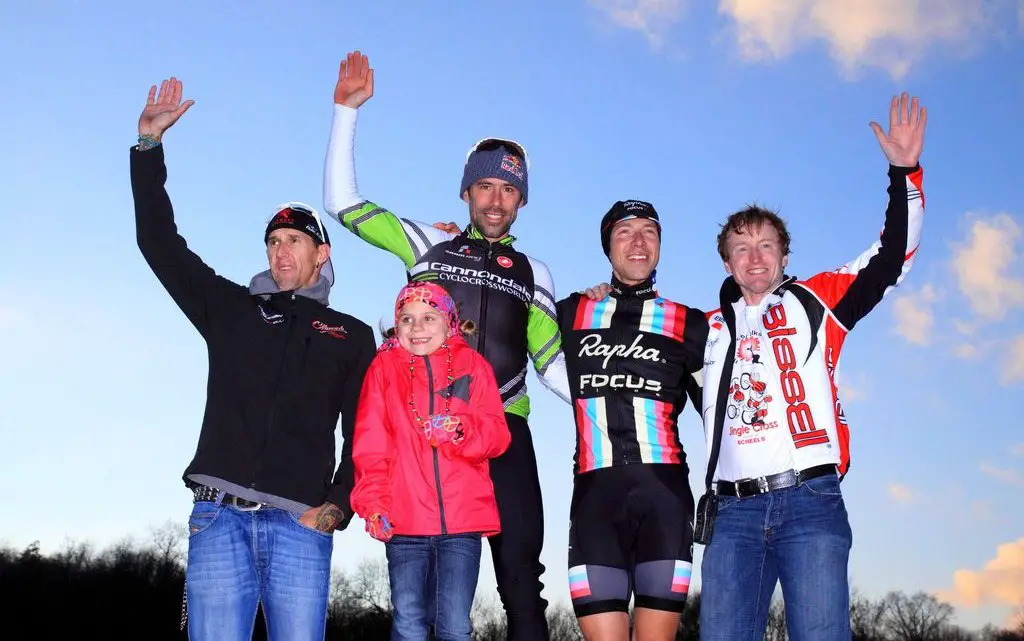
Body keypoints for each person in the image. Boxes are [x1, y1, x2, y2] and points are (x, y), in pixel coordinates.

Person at [324, 51, 570, 639]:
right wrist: (346, 113)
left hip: (504, 427)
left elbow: (554, 366)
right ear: (465, 193)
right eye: (483, 186)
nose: (494, 199)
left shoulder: (537, 272)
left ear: (522, 201)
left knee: (519, 576)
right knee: (421, 596)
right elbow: (343, 204)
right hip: (423, 433)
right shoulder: (426, 246)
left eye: (508, 190)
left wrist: (613, 411)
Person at [131, 78, 375, 640]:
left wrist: (335, 507)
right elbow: (159, 242)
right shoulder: (231, 310)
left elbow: (363, 434)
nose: (280, 249)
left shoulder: (351, 335)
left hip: (300, 524)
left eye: (294, 239)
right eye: (273, 241)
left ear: (322, 253)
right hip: (217, 517)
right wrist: (148, 147)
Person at [697, 93, 927, 641]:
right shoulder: (702, 329)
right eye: (740, 248)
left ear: (784, 255)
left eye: (766, 245)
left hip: (811, 503)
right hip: (732, 514)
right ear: (726, 262)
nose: (754, 257)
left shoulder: (816, 303)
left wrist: (903, 173)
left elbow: (893, 255)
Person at [558, 201, 707, 640]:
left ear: (660, 246)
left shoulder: (690, 323)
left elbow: (721, 415)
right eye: (625, 231)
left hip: (665, 498)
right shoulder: (571, 312)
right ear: (608, 246)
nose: (638, 241)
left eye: (650, 232)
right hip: (594, 497)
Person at [351, 281, 512, 641]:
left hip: (461, 525)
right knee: (408, 622)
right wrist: (373, 504)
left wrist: (461, 431)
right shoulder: (383, 369)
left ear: (450, 322)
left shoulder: (474, 365)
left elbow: (498, 436)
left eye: (428, 317)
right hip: (404, 524)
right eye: (406, 319)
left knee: (454, 624)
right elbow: (369, 444)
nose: (417, 327)